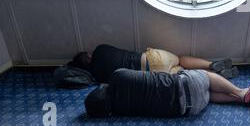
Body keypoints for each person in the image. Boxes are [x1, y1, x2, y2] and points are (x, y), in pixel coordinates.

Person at [84, 68, 250, 118]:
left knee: (207, 96)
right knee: (206, 77)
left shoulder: (119, 111)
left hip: (189, 109)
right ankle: (240, 92)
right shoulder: (118, 75)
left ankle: (239, 100)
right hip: (187, 84)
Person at [70, 44, 239, 83]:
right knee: (180, 60)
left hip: (151, 75)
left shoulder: (97, 77)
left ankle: (216, 76)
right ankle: (211, 64)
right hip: (152, 58)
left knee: (183, 73)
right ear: (89, 55)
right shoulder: (100, 49)